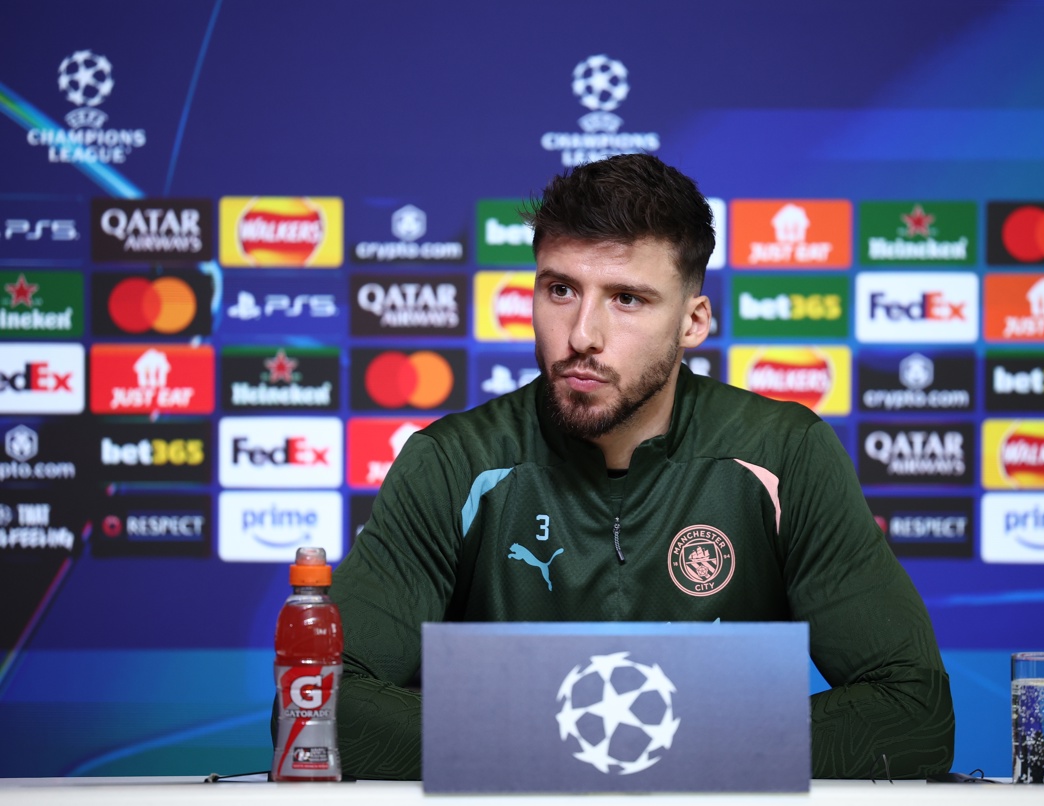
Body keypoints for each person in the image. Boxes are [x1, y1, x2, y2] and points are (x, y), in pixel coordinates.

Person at [326, 154, 955, 780]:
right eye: (561, 289)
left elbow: (913, 713)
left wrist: (605, 738)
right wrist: (632, 737)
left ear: (693, 321)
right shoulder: (454, 463)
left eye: (627, 299)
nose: (581, 335)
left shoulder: (784, 455)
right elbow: (316, 709)